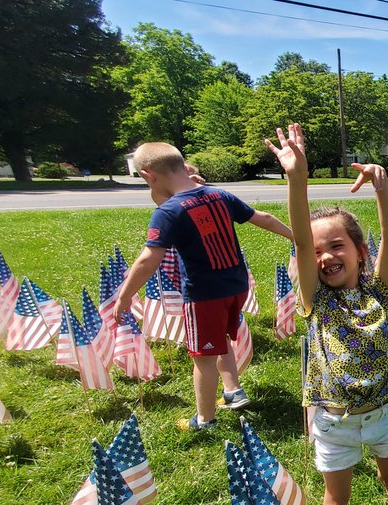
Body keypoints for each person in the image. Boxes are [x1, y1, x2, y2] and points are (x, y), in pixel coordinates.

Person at [266, 123, 388, 505]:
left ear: (359, 252)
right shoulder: (315, 299)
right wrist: (297, 180)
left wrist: (382, 188)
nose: (326, 256)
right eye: (317, 252)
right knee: (336, 500)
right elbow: (299, 237)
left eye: (336, 245)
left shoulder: (379, 292)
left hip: (386, 411)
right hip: (334, 422)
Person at [115, 142, 292, 430]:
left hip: (203, 296)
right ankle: (233, 390)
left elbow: (148, 259)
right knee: (220, 338)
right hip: (236, 286)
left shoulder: (169, 211)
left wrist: (125, 296)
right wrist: (297, 237)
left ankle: (205, 420)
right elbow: (264, 218)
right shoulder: (219, 195)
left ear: (148, 175)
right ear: (183, 166)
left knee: (203, 358)